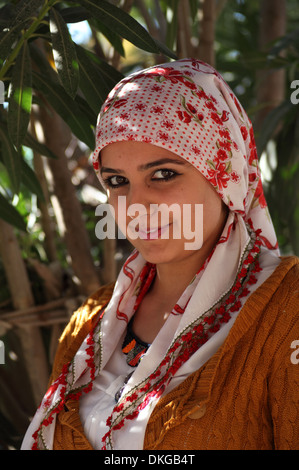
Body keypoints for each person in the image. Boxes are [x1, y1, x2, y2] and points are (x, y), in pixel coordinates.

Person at [21, 58, 299, 450]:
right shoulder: (91, 321)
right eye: (117, 182)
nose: (136, 204)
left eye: (163, 174)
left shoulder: (286, 309)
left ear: (226, 174)